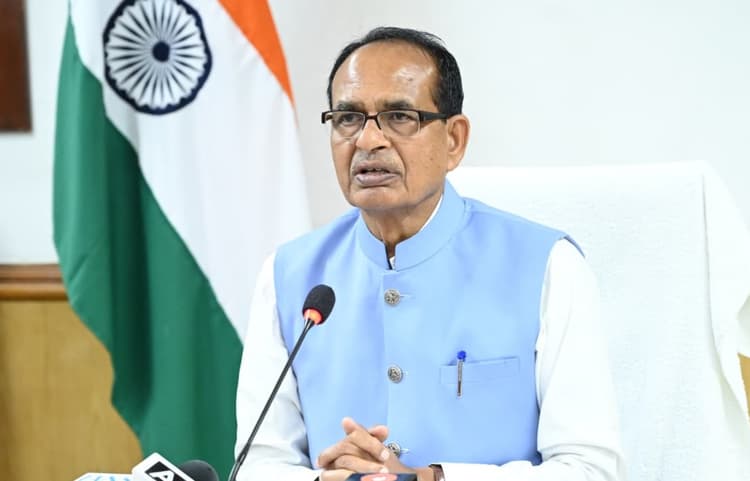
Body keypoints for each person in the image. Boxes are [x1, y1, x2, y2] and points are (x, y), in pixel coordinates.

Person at [235, 27, 623, 481]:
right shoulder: (289, 277)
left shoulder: (548, 267)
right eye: (348, 118)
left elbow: (591, 469)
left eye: (399, 116)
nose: (367, 140)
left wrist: (432, 479)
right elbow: (258, 465)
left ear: (454, 140)